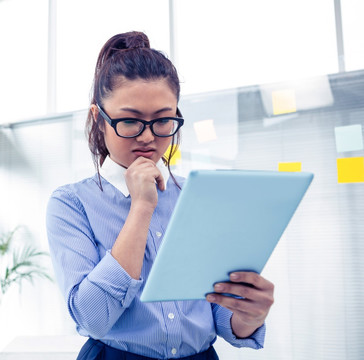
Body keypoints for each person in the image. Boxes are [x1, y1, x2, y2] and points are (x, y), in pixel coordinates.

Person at [46, 31, 274, 360]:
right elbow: (92, 318)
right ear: (99, 119)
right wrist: (141, 207)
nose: (148, 138)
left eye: (163, 120)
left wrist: (248, 315)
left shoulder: (198, 196)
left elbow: (217, 315)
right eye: (130, 121)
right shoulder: (71, 203)